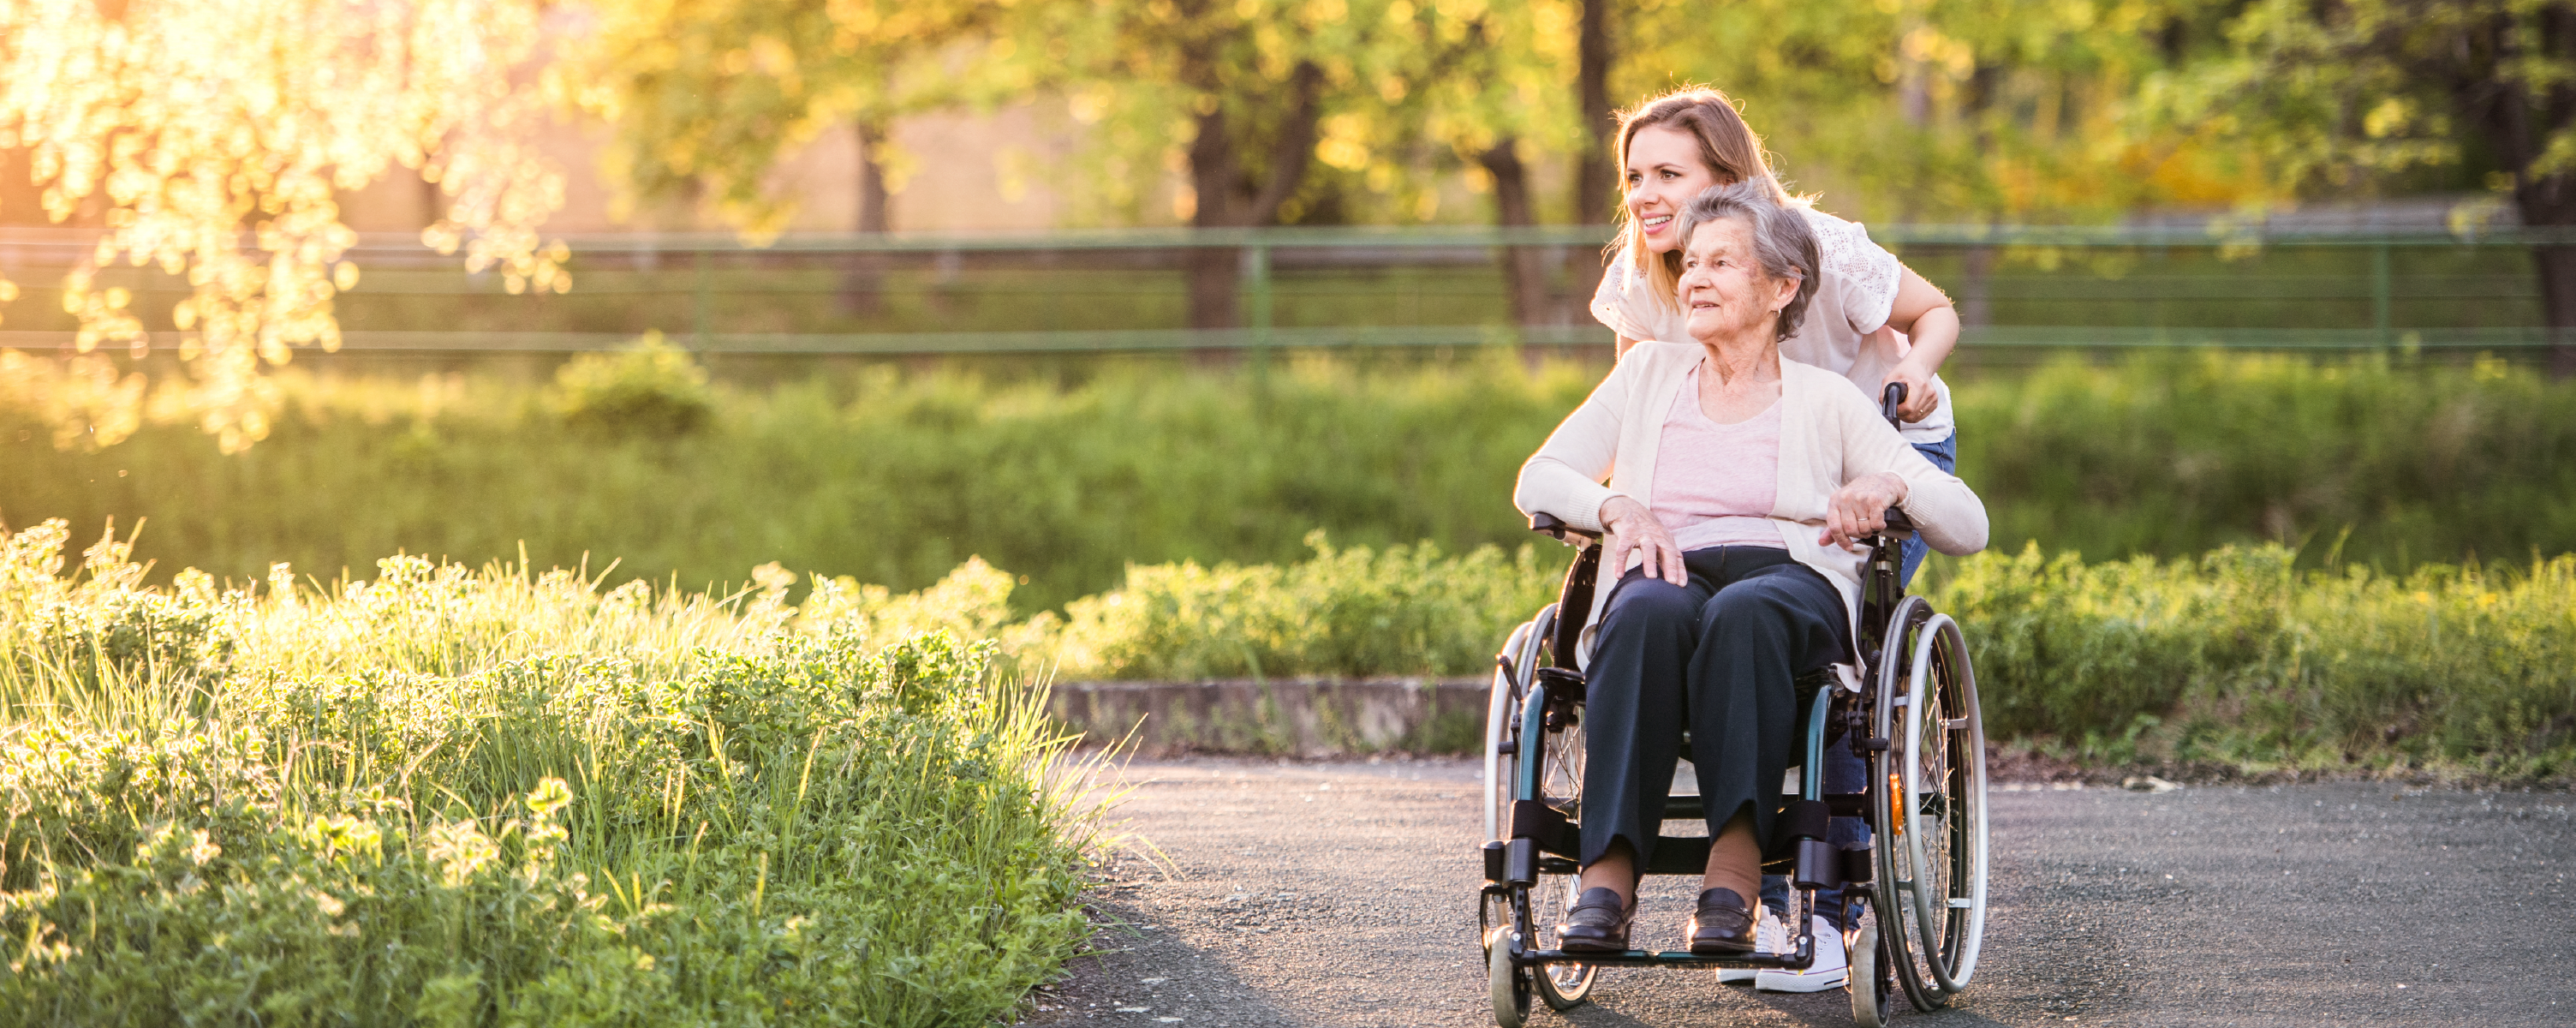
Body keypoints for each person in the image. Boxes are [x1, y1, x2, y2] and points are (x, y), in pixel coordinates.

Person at [1513, 182, 1986, 977]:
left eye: (1722, 263)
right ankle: (1607, 878)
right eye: (1690, 263)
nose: (1693, 277)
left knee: (1746, 612)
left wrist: (1894, 487)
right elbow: (1539, 477)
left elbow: (1967, 522)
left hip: (1789, 581)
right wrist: (1618, 506)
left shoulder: (1828, 400)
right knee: (1643, 616)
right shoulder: (1647, 377)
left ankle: (1733, 876)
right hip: (1666, 564)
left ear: (1781, 287)